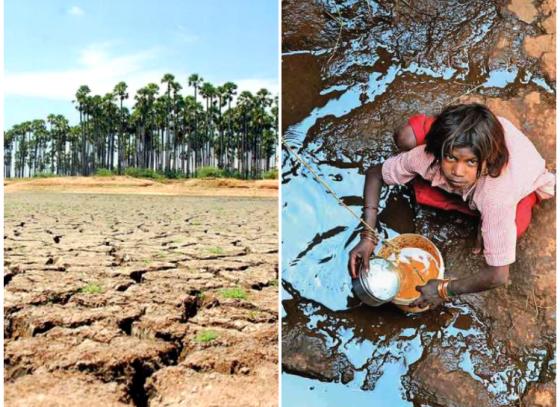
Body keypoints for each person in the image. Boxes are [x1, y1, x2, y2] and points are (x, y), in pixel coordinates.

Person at [348, 103, 555, 309]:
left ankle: (490, 213)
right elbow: (375, 174)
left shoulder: (496, 196)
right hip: (473, 139)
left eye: (470, 162)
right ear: (439, 152)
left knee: (513, 225)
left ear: (487, 162)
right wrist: (368, 235)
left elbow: (498, 275)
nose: (457, 171)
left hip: (517, 179)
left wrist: (444, 289)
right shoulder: (428, 157)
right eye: (451, 158)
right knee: (405, 138)